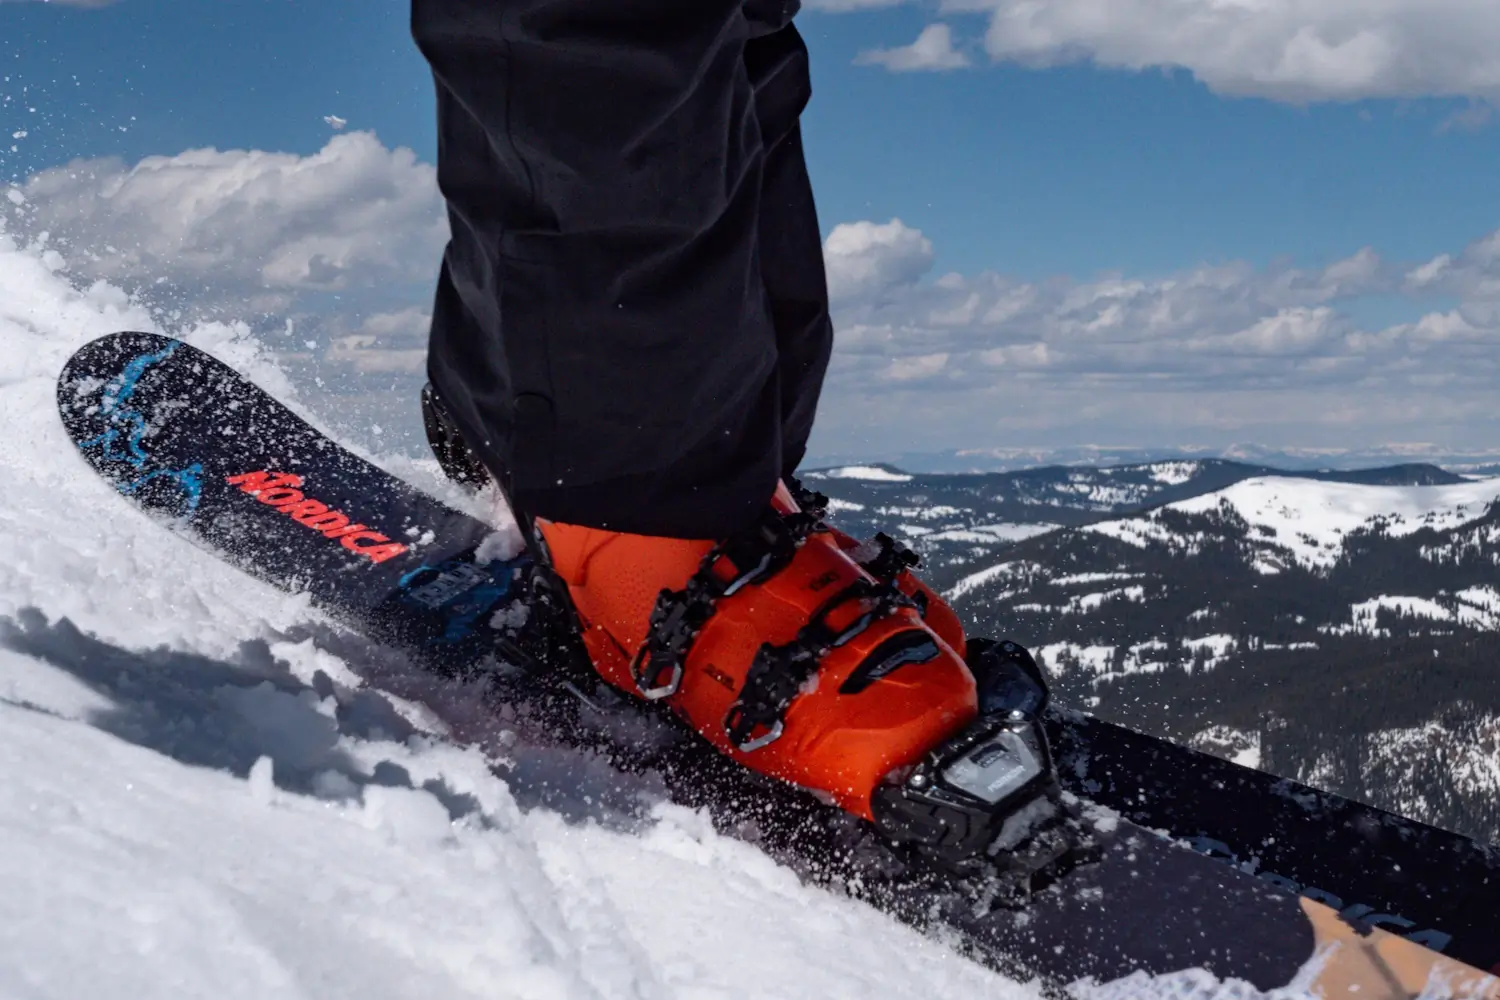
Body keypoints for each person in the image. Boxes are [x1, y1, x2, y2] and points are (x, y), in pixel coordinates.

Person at [410, 0, 982, 822]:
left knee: (729, 29)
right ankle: (625, 498)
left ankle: (724, 496)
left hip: (714, 445)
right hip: (618, 455)